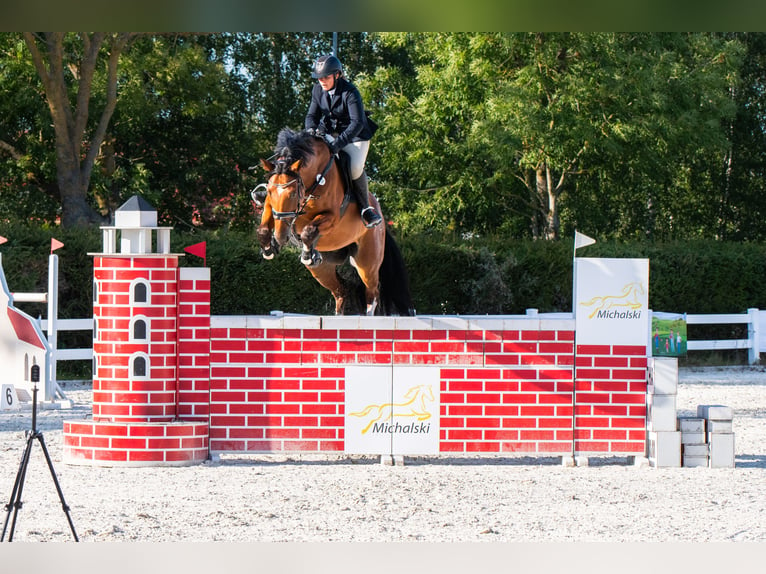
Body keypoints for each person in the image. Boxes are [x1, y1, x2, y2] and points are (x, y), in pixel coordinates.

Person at [305, 54, 382, 228]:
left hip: (355, 136)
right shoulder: (317, 90)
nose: (322, 81)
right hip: (330, 132)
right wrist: (311, 131)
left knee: (354, 168)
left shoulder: (350, 92)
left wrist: (337, 145)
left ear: (337, 75)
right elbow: (311, 115)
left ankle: (365, 208)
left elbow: (357, 122)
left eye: (326, 77)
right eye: (319, 78)